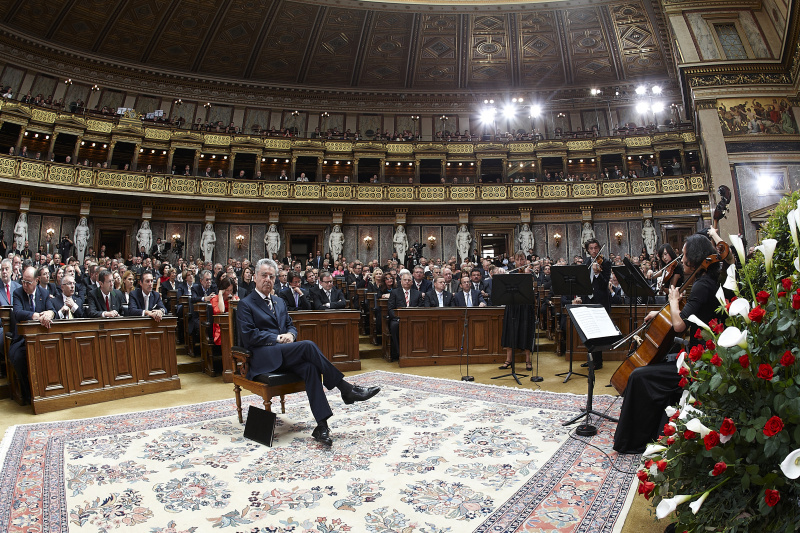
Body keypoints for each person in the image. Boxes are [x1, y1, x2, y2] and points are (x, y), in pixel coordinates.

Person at [237, 258, 380, 446]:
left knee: (311, 367)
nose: (268, 279)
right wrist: (277, 338)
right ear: (255, 277)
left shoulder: (279, 302)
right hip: (264, 357)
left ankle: (322, 426)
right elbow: (249, 336)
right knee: (309, 345)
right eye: (264, 275)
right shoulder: (246, 303)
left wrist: (290, 334)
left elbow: (290, 326)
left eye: (271, 276)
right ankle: (346, 389)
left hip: (284, 353)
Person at [614, 234, 724, 454]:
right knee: (651, 369)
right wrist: (661, 311)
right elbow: (689, 313)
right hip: (697, 355)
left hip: (698, 364)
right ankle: (652, 433)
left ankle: (634, 442)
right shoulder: (707, 282)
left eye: (684, 255)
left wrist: (672, 301)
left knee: (639, 376)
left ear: (695, 258)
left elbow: (679, 325)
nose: (681, 261)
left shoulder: (702, 285)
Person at [9, 266, 56, 403]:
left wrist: (49, 314)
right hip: (21, 340)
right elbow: (17, 313)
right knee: (18, 358)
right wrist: (37, 316)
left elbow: (52, 310)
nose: (25, 285)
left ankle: (49, 391)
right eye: (23, 281)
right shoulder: (18, 293)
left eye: (28, 282)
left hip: (41, 339)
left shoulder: (44, 293)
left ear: (37, 280)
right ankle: (27, 395)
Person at [574, 238, 611, 369]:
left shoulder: (605, 263)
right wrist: (580, 297)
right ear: (588, 250)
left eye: (596, 247)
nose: (594, 250)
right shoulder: (587, 262)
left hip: (600, 301)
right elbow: (584, 283)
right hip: (587, 300)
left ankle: (598, 362)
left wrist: (597, 274)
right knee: (588, 331)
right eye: (591, 248)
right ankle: (591, 359)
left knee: (598, 333)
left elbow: (604, 284)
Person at [387, 270, 423, 362]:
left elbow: (420, 308)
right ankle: (400, 353)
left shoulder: (417, 293)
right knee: (394, 326)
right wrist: (397, 318)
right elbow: (390, 309)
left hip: (413, 319)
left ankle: (416, 352)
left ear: (412, 282)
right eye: (405, 280)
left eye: (409, 280)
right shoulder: (395, 293)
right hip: (397, 319)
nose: (407, 282)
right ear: (401, 281)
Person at [208, 276, 237, 345]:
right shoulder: (215, 299)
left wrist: (233, 297)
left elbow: (237, 310)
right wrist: (220, 294)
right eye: (227, 290)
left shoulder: (234, 298)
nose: (229, 293)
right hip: (220, 326)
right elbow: (221, 311)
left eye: (231, 290)